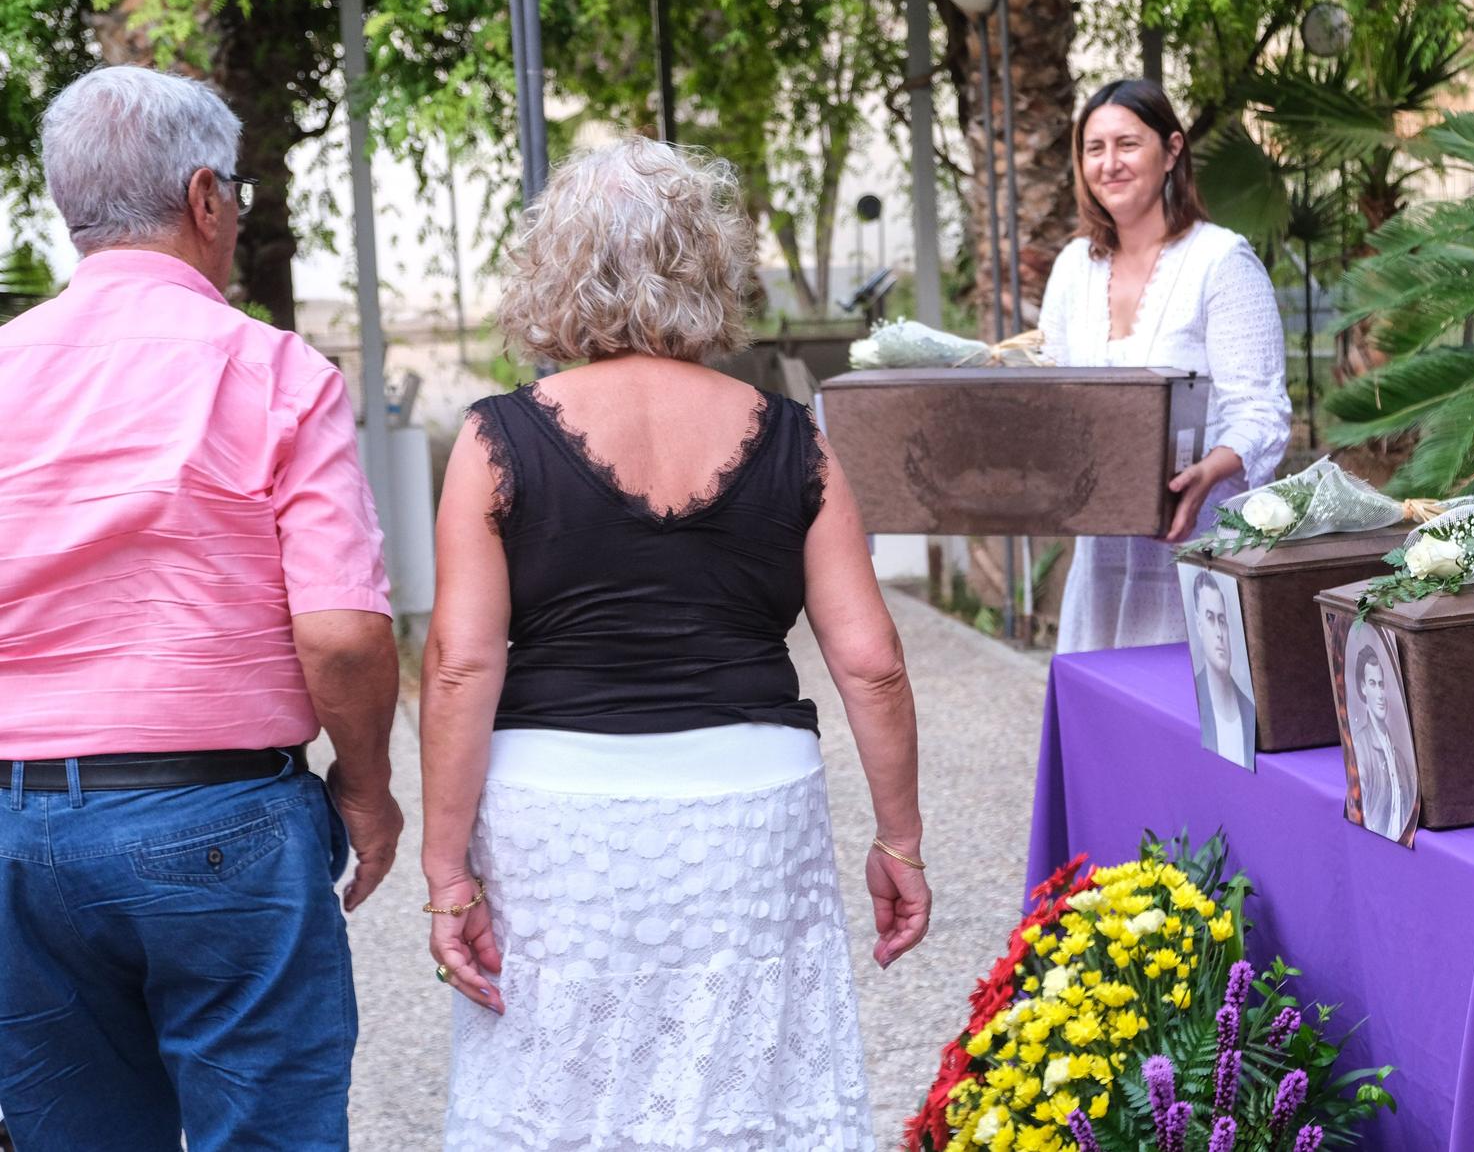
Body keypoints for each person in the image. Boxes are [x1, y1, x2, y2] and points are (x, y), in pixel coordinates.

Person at [421, 138, 929, 1150]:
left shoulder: (494, 440)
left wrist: (448, 874)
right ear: (708, 266)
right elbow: (869, 659)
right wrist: (898, 838)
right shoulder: (792, 438)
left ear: (555, 268)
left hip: (557, 813)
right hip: (751, 804)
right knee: (744, 1081)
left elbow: (461, 664)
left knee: (565, 1087)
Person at [0, 66, 401, 1150]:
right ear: (204, 197)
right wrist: (365, 789)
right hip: (220, 813)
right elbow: (342, 628)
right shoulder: (272, 371)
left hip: (17, 824)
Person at [1040, 79, 1292, 653]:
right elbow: (1049, 400)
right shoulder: (1073, 267)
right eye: (1093, 148)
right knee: (1101, 729)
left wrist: (1207, 473)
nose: (1110, 163)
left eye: (1127, 144)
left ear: (1172, 150)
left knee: (1183, 730)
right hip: (1098, 570)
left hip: (1200, 561)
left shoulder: (1219, 262)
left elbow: (1261, 413)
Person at [1188, 570, 1258, 767]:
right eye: (1210, 618)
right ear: (1199, 625)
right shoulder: (1196, 696)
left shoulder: (1248, 707)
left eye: (1222, 620)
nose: (1219, 633)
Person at [1348, 645, 1416, 839]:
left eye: (1381, 684)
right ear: (1363, 688)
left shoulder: (1400, 756)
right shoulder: (1361, 747)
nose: (1379, 694)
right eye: (1372, 684)